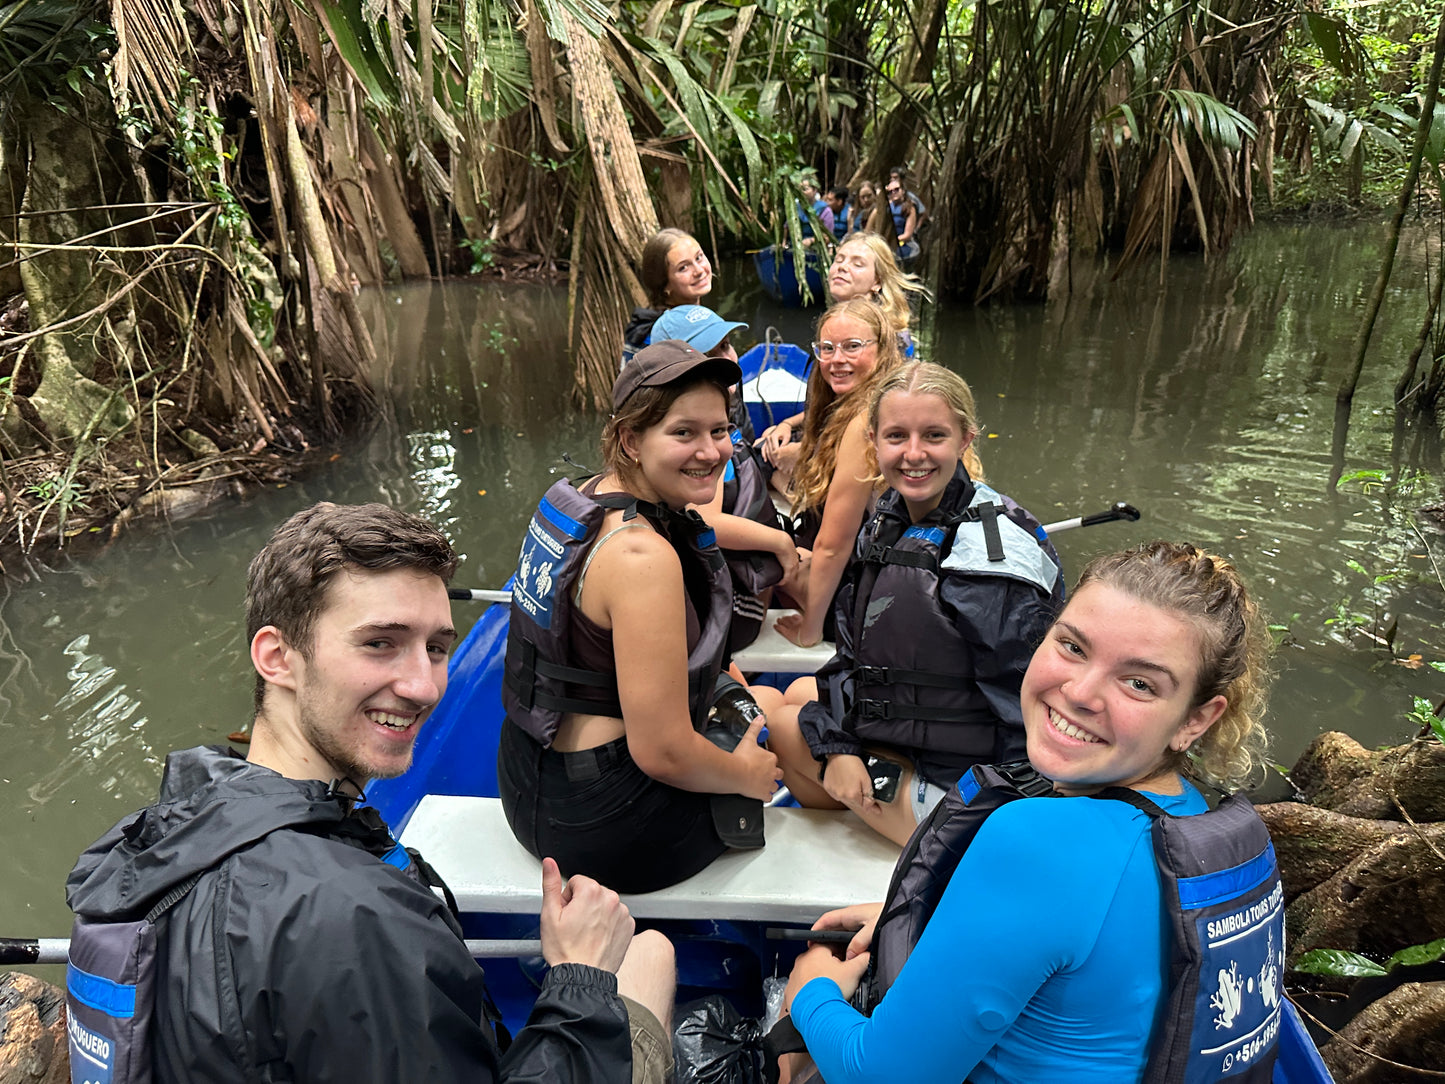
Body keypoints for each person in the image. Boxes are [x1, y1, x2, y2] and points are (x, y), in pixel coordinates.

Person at [65, 502, 678, 1084]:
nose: (424, 686)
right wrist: (579, 976)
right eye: (380, 643)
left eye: (437, 647)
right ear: (277, 657)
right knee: (650, 955)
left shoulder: (172, 825)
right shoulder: (355, 923)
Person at [782, 540, 1276, 1084]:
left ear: (1196, 720)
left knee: (795, 1055)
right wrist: (928, 921)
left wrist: (811, 991)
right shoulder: (1193, 819)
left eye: (1139, 683)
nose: (1081, 692)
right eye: (1072, 646)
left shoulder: (1038, 842)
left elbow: (878, 1074)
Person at [498, 341, 784, 894]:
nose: (711, 451)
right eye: (684, 433)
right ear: (630, 439)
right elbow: (663, 752)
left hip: (524, 777)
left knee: (748, 697)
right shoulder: (640, 555)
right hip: (608, 821)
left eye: (719, 430)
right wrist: (748, 776)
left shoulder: (586, 497)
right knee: (765, 722)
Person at [763, 363, 1062, 844]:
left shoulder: (987, 558)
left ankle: (886, 822)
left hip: (966, 798)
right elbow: (853, 655)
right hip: (917, 739)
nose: (914, 454)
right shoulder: (891, 517)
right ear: (874, 441)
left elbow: (1026, 706)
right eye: (897, 436)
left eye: (934, 435)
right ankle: (853, 794)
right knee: (800, 695)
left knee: (782, 723)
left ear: (966, 438)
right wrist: (841, 749)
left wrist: (1009, 829)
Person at [652, 306, 807, 652]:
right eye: (712, 353)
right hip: (725, 607)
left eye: (726, 345)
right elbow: (705, 518)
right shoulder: (699, 441)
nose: (729, 359)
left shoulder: (708, 420)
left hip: (724, 573)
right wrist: (780, 543)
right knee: (824, 582)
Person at [765, 299, 907, 647]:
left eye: (852, 347)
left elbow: (834, 545)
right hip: (896, 568)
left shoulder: (864, 423)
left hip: (885, 598)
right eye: (827, 348)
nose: (836, 359)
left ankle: (823, 630)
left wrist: (810, 630)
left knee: (765, 561)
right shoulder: (886, 399)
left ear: (882, 348)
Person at [622, 228, 715, 366]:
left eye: (699, 257)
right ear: (664, 283)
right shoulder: (661, 334)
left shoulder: (695, 317)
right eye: (683, 268)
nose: (700, 270)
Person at [826, 232, 928, 353]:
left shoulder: (891, 337)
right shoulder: (832, 322)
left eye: (857, 264)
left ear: (877, 281)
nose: (842, 267)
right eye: (838, 260)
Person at [869, 176, 919, 261]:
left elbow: (907, 235)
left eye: (896, 190)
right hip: (884, 243)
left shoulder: (910, 208)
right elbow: (870, 228)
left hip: (902, 244)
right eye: (890, 192)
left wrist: (891, 241)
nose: (893, 193)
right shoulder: (883, 207)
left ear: (903, 191)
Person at [798, 178, 834, 243]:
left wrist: (811, 241)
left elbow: (828, 236)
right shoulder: (795, 207)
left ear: (815, 191)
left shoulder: (825, 210)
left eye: (805, 189)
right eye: (800, 189)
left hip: (816, 247)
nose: (802, 192)